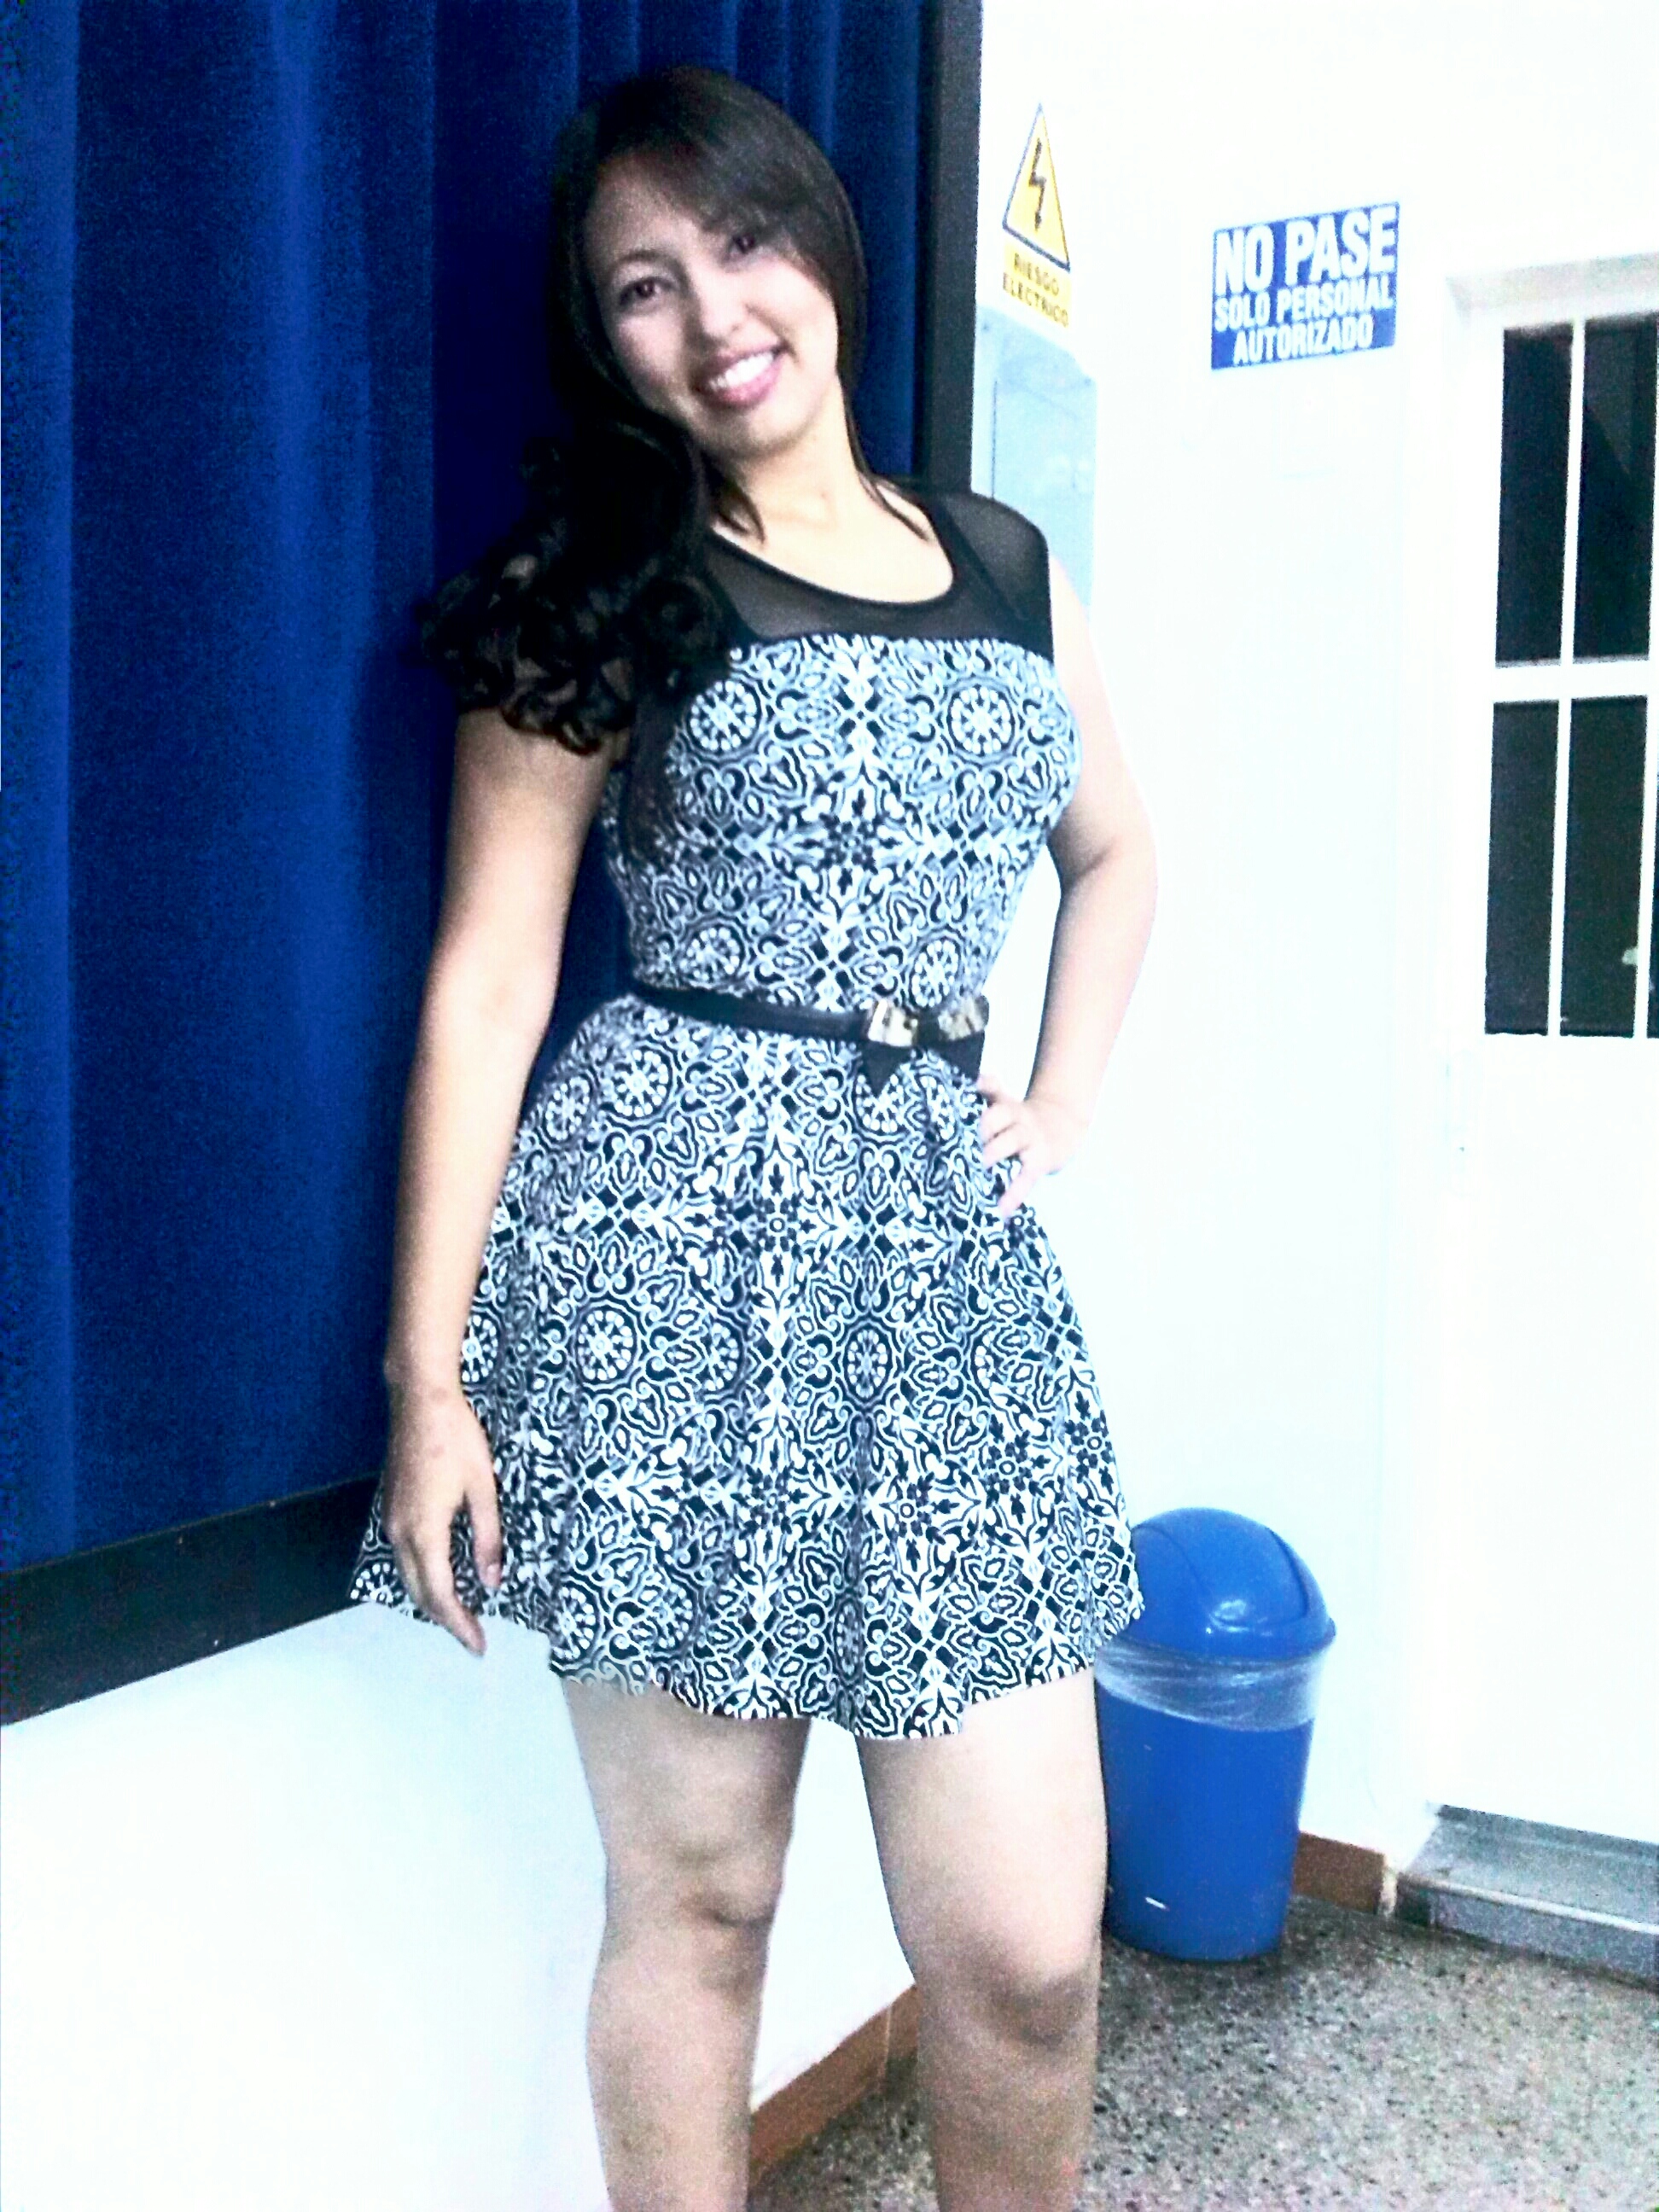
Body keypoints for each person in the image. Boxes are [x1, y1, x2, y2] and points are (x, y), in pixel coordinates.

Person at [348, 63, 1156, 2212]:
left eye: (740, 241)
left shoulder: (1005, 560)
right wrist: (430, 1386)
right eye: (644, 285)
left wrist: (1061, 1093)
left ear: (822, 237)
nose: (714, 314)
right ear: (604, 338)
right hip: (671, 1255)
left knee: (1027, 1956)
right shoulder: (605, 581)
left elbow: (1119, 853)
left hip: (947, 1281)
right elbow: (490, 983)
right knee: (703, 1905)